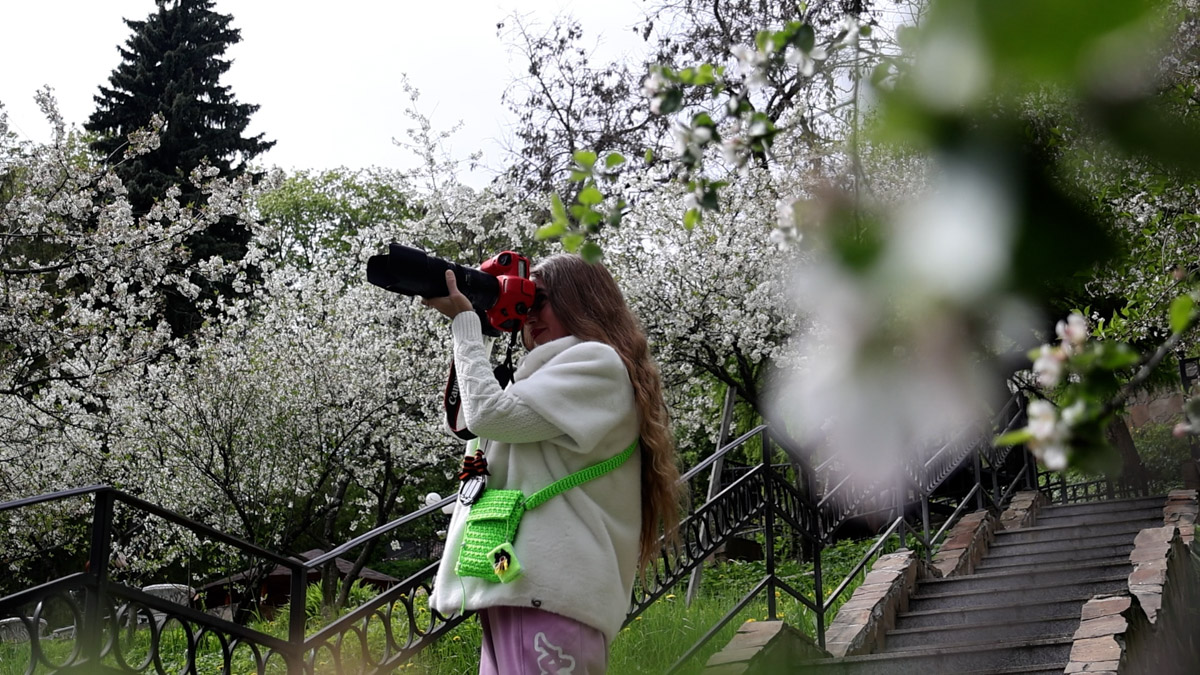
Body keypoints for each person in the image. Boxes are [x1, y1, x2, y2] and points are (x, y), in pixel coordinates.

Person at [421, 253, 679, 675]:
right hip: (518, 584)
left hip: (549, 590)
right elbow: (471, 421)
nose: (528, 315)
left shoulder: (597, 364)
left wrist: (464, 325)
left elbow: (488, 415)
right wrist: (482, 328)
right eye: (522, 304)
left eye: (539, 300)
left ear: (582, 301)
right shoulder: (547, 375)